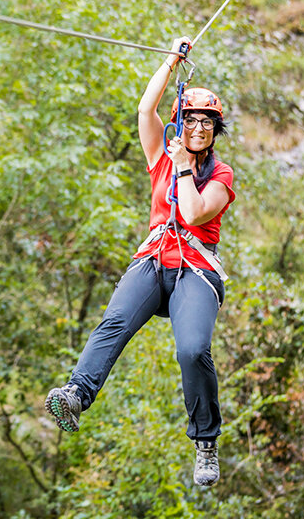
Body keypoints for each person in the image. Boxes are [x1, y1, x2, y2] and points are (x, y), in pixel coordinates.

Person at [44, 36, 235, 487]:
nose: (199, 127)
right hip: (153, 258)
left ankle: (205, 442)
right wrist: (171, 61)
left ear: (215, 131)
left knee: (192, 350)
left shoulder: (220, 176)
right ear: (179, 123)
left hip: (196, 271)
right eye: (191, 120)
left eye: (207, 122)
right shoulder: (159, 155)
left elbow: (191, 213)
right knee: (114, 321)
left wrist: (184, 164)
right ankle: (76, 394)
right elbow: (144, 111)